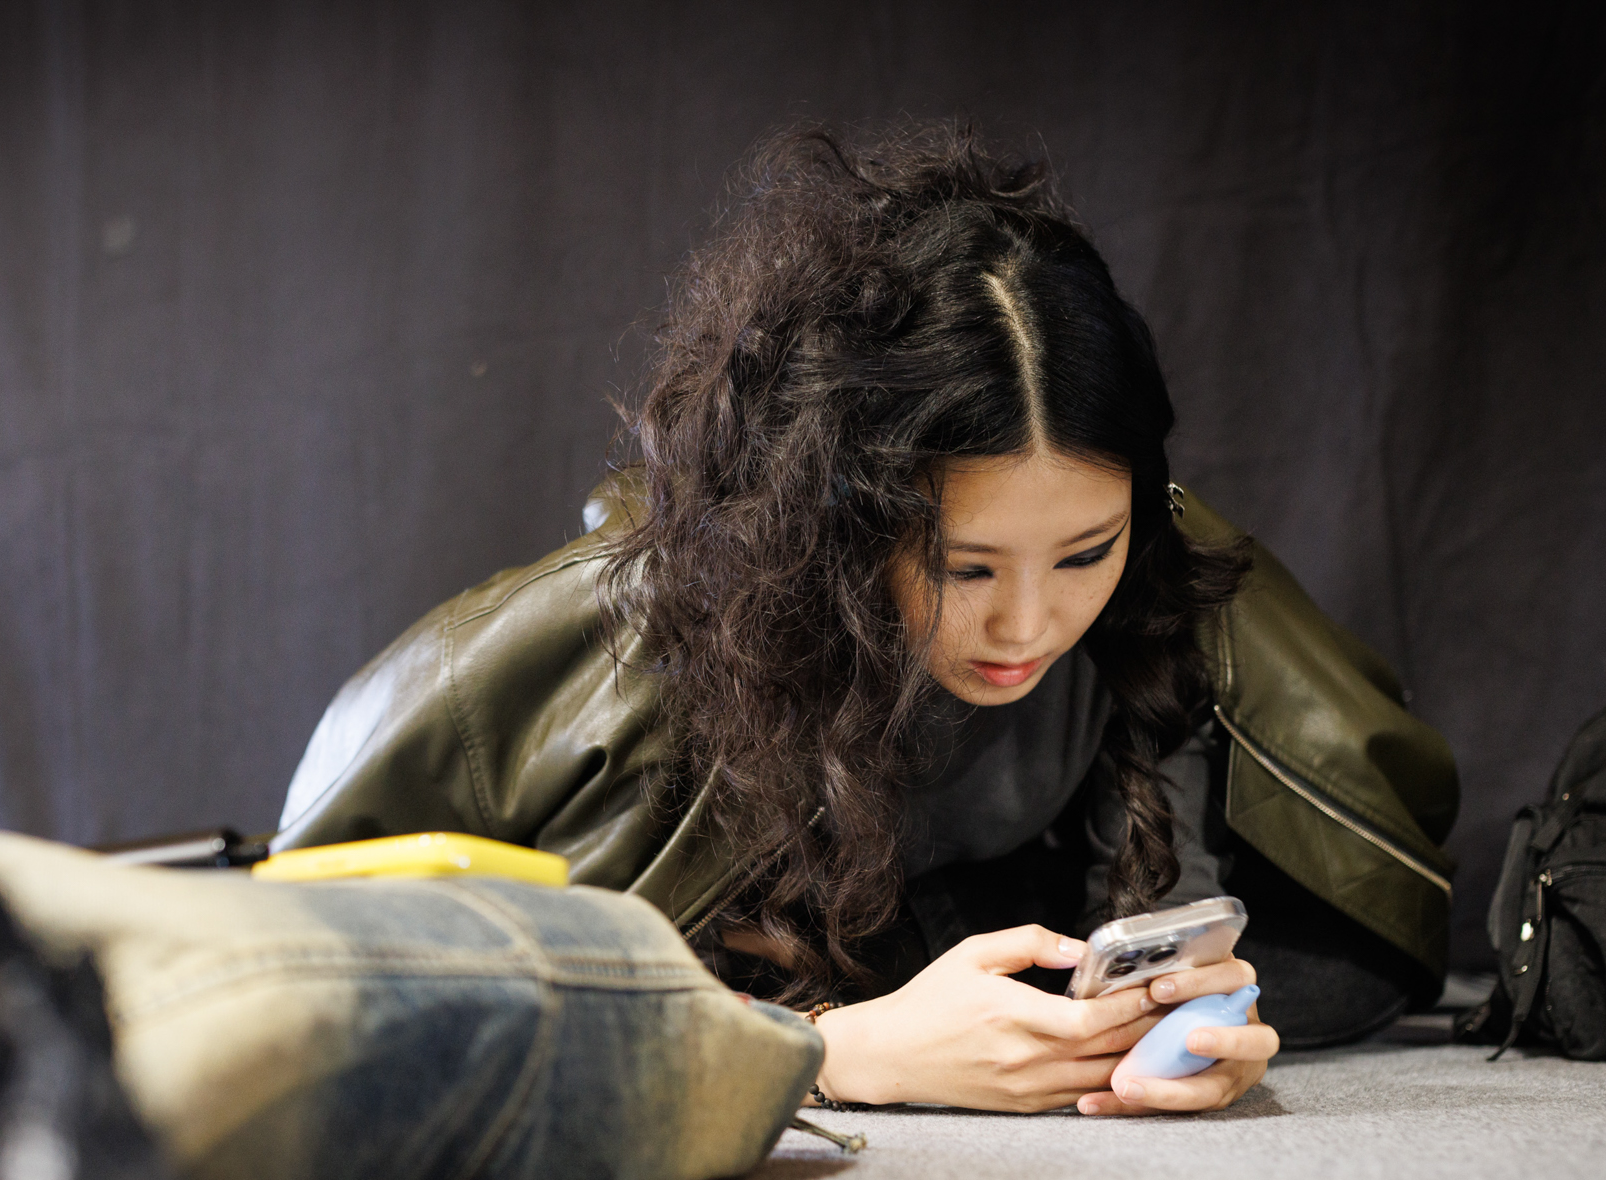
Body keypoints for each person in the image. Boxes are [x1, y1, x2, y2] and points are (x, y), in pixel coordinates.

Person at [275, 124, 1458, 1117]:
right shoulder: (602, 647)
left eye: (1084, 552)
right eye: (964, 566)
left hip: (988, 936)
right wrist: (835, 1055)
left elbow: (1279, 911)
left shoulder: (1161, 580)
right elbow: (323, 991)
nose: (1029, 624)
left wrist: (1188, 1020)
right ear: (835, 514)